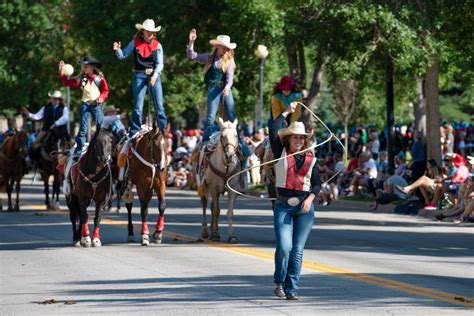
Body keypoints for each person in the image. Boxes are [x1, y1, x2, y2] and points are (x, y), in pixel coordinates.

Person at [269, 102, 321, 300]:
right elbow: (273, 128)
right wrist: (286, 111)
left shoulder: (311, 158)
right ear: (289, 138)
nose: (299, 140)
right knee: (284, 247)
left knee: (297, 250)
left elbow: (317, 184)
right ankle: (279, 282)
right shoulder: (279, 151)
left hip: (304, 207)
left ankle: (292, 289)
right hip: (283, 205)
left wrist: (310, 198)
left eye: (301, 137)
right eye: (295, 137)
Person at [113, 18, 167, 137]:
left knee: (159, 106)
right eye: (148, 31)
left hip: (154, 75)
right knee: (138, 107)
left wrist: (155, 75)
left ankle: (163, 132)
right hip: (139, 75)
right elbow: (123, 55)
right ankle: (134, 132)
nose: (151, 34)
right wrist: (118, 50)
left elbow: (160, 64)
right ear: (143, 31)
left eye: (152, 32)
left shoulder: (158, 45)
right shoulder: (134, 43)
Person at [187, 29, 236, 142]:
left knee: (231, 116)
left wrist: (227, 88)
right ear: (218, 46)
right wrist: (191, 42)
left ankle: (236, 141)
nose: (224, 49)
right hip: (213, 88)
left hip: (225, 89)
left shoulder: (229, 60)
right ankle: (205, 142)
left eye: (226, 48)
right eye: (223, 47)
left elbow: (230, 78)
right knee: (210, 117)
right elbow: (192, 56)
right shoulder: (210, 58)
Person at [59, 56, 109, 154]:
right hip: (85, 104)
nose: (83, 68)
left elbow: (105, 90)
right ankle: (79, 150)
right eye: (82, 66)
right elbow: (67, 82)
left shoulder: (99, 77)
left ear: (92, 67)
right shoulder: (81, 78)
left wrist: (101, 98)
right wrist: (62, 71)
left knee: (100, 127)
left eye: (85, 66)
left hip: (96, 105)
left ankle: (102, 146)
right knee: (83, 128)